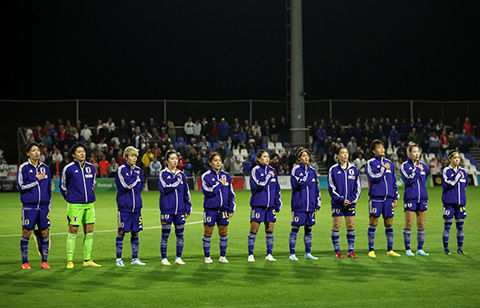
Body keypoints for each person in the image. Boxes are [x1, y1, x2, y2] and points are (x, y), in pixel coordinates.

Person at [60, 143, 101, 268]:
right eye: (78, 152)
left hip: (89, 205)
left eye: (83, 151)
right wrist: (70, 198)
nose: (82, 153)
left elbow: (93, 184)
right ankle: (70, 260)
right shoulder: (69, 168)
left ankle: (87, 260)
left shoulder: (91, 167)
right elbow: (63, 186)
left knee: (89, 231)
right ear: (73, 155)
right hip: (75, 205)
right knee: (73, 231)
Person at [17, 143, 52, 270]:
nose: (36, 152)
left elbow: (49, 189)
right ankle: (25, 262)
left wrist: (49, 206)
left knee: (44, 232)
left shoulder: (46, 168)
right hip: (29, 207)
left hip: (44, 207)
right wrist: (36, 179)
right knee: (26, 232)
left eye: (38, 150)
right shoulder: (24, 168)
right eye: (33, 150)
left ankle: (44, 261)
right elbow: (21, 186)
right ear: (28, 153)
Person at [366, 139, 401, 258]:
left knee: (389, 224)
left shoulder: (390, 163)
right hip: (376, 198)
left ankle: (390, 250)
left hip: (389, 199)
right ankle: (371, 250)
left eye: (383, 147)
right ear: (373, 151)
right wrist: (382, 168)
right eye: (379, 148)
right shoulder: (371, 163)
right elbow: (372, 177)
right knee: (373, 223)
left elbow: (393, 181)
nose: (382, 149)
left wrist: (395, 196)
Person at [201, 152, 236, 263]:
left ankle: (222, 256)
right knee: (208, 232)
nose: (218, 163)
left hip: (223, 210)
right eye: (215, 161)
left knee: (223, 233)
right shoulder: (206, 176)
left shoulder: (227, 176)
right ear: (210, 163)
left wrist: (231, 208)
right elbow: (208, 192)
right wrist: (220, 184)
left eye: (219, 160)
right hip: (210, 209)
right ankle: (207, 256)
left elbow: (231, 194)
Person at [158, 150, 192, 265]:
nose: (175, 160)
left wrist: (188, 208)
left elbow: (186, 193)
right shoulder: (163, 174)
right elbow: (165, 187)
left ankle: (178, 257)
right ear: (167, 161)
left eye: (176, 158)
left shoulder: (182, 175)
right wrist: (177, 180)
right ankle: (164, 258)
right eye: (172, 158)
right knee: (165, 235)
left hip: (180, 210)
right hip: (167, 209)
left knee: (180, 235)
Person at [247, 150, 282, 262]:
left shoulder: (273, 171)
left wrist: (278, 202)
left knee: (270, 229)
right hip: (258, 205)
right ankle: (251, 254)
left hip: (271, 206)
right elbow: (257, 185)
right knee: (254, 229)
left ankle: (269, 254)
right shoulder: (255, 170)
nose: (267, 159)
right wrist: (267, 177)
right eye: (264, 157)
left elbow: (277, 188)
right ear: (258, 159)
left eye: (268, 157)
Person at [114, 146, 146, 267]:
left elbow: (141, 186)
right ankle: (118, 259)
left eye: (135, 156)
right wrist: (135, 176)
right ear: (126, 157)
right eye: (132, 156)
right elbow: (126, 185)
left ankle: (135, 258)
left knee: (136, 232)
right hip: (124, 208)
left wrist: (136, 176)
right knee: (121, 232)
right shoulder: (121, 170)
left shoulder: (138, 170)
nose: (134, 158)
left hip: (136, 208)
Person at [327, 147, 361, 259]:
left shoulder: (354, 169)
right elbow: (331, 189)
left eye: (346, 153)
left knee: (350, 226)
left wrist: (351, 200)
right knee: (336, 226)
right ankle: (337, 251)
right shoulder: (333, 169)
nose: (345, 155)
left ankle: (350, 251)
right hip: (338, 203)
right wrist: (342, 200)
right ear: (338, 155)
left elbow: (358, 188)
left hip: (350, 203)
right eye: (342, 153)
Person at [289, 147, 321, 261]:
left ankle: (308, 253)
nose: (306, 158)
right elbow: (300, 184)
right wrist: (307, 175)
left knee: (308, 229)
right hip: (299, 205)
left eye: (307, 155)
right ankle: (292, 253)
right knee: (295, 229)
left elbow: (316, 188)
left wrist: (318, 202)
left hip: (311, 206)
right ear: (298, 158)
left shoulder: (313, 171)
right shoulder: (296, 170)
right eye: (303, 156)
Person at [400, 142, 429, 256]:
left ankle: (419, 249)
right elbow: (407, 180)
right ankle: (408, 249)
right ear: (409, 153)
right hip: (410, 198)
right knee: (409, 224)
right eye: (414, 152)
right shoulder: (405, 166)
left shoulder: (424, 166)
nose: (417, 154)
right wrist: (416, 169)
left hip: (422, 199)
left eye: (418, 151)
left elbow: (424, 180)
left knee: (421, 225)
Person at [442, 151, 468, 255]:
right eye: (455, 158)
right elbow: (448, 184)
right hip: (449, 203)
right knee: (447, 226)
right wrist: (456, 177)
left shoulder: (463, 172)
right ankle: (446, 249)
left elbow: (465, 186)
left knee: (460, 227)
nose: (457, 159)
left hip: (461, 204)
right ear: (450, 159)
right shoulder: (446, 171)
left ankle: (460, 249)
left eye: (458, 158)